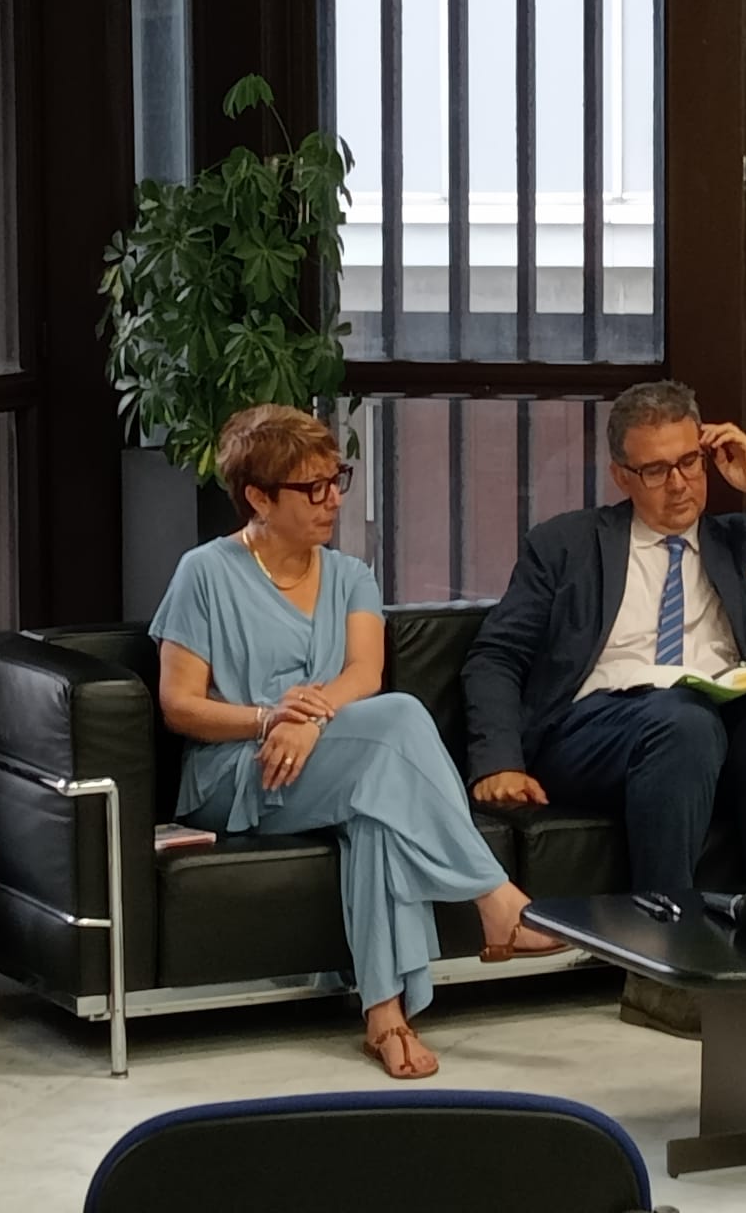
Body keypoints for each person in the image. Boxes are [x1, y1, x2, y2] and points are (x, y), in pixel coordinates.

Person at [152, 404, 564, 1081]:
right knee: (400, 720)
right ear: (259, 497)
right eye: (312, 487)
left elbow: (363, 674)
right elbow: (179, 706)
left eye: (335, 480)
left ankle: (385, 1017)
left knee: (375, 813)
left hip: (329, 757)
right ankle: (496, 899)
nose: (332, 499)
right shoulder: (204, 573)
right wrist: (267, 719)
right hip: (238, 772)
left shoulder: (351, 575)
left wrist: (308, 721)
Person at [460, 380, 746, 1032]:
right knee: (682, 720)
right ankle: (661, 964)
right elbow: (496, 655)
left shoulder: (742, 539)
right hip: (597, 725)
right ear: (622, 475)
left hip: (718, 715)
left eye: (689, 462)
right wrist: (497, 760)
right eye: (655, 470)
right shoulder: (565, 544)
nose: (678, 485)